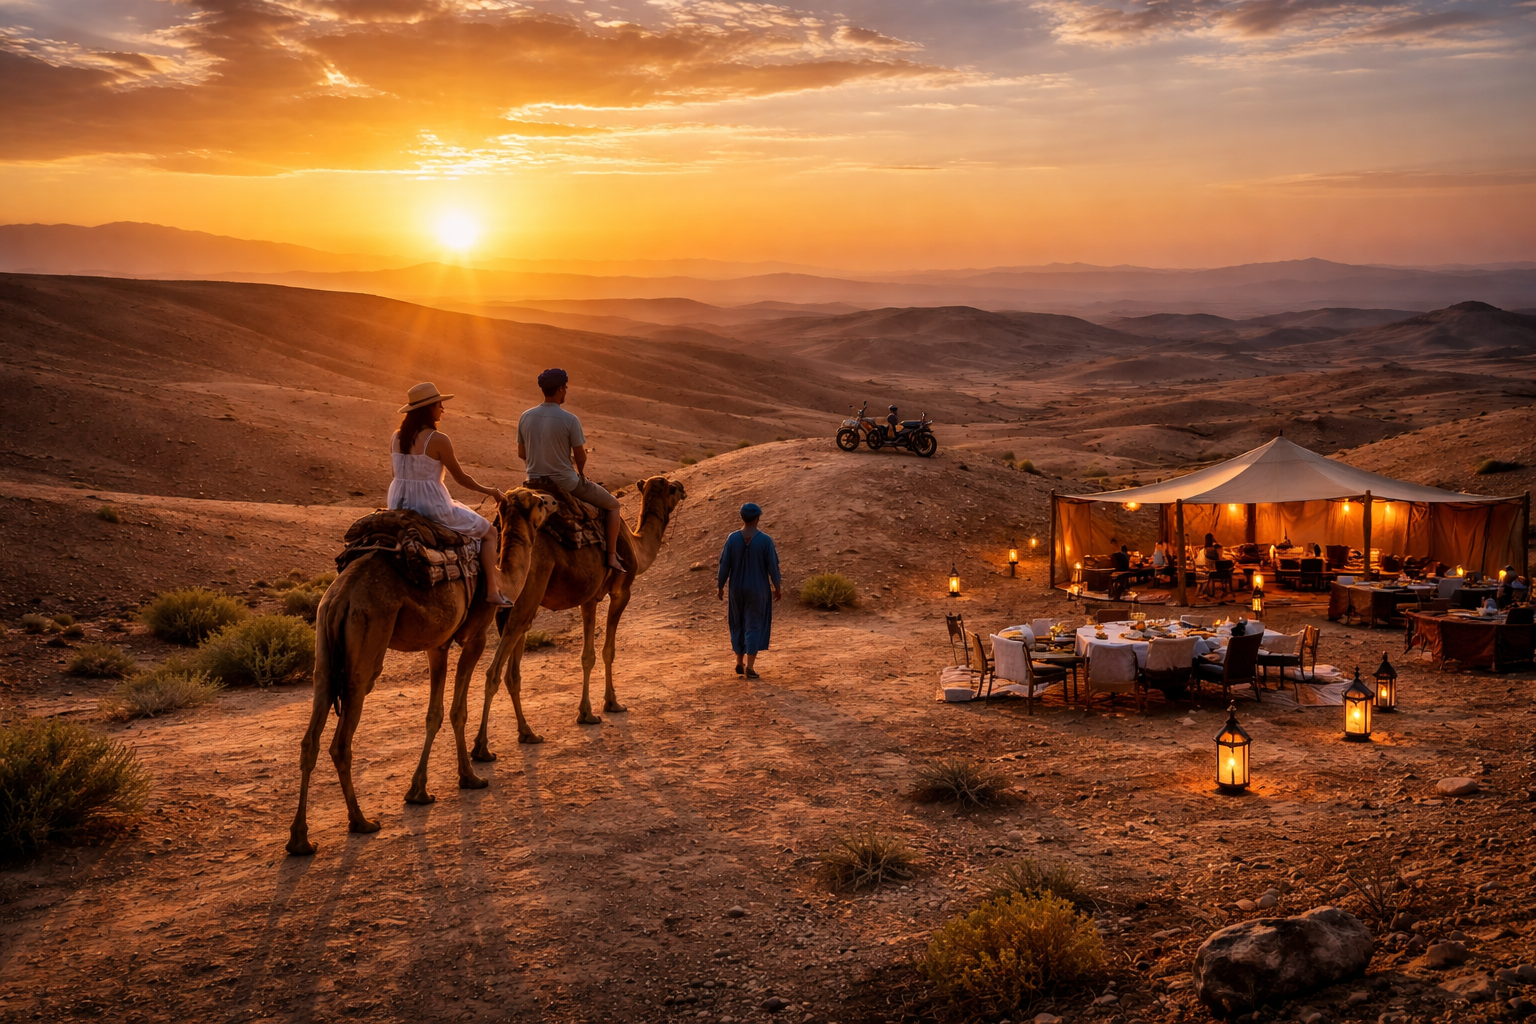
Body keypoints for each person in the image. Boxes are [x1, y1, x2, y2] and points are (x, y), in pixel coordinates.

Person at [388, 382, 514, 605]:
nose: (442, 409)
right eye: (440, 405)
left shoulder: (397, 437)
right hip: (431, 506)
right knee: (490, 533)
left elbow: (394, 472)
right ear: (429, 408)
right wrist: (491, 491)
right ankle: (492, 591)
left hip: (397, 501)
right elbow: (461, 478)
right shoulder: (437, 439)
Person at [516, 368, 625, 572]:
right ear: (559, 389)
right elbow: (581, 456)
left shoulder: (525, 416)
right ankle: (611, 556)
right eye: (565, 388)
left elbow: (522, 454)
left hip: (533, 481)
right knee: (613, 505)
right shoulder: (569, 419)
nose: (565, 391)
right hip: (565, 483)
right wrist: (580, 472)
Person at [717, 502, 782, 679]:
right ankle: (750, 667)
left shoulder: (732, 538)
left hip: (736, 588)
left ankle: (739, 662)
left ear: (742, 517)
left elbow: (724, 565)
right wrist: (777, 587)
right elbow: (773, 567)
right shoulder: (765, 540)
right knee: (753, 624)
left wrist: (720, 586)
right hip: (757, 588)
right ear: (757, 518)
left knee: (737, 622)